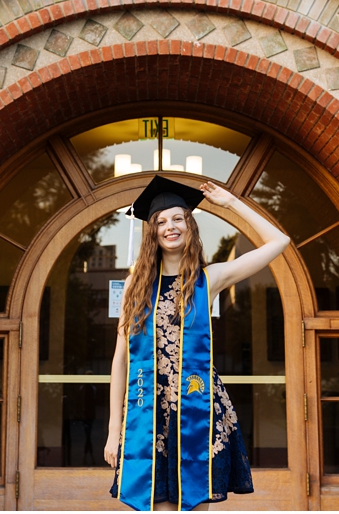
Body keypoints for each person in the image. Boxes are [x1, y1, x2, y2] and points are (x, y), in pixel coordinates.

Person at [105, 176, 290, 511]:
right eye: (161, 221)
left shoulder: (210, 279)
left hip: (199, 408)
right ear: (153, 232)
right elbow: (121, 358)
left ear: (189, 224)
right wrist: (113, 426)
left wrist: (231, 203)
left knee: (194, 505)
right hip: (147, 415)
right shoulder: (135, 284)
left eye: (178, 218)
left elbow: (279, 241)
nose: (170, 227)